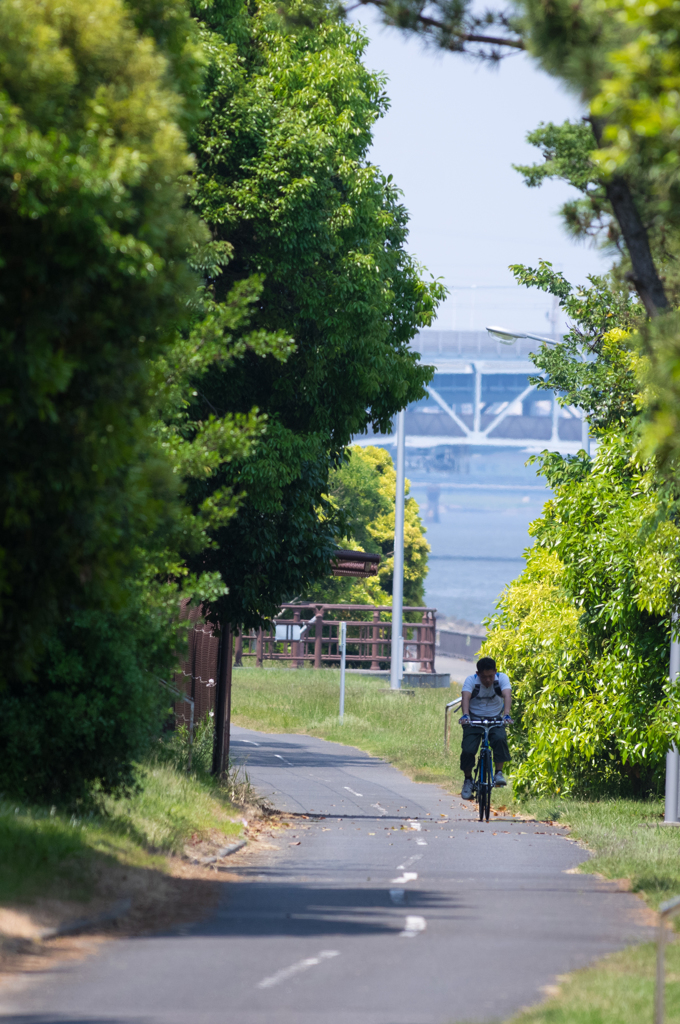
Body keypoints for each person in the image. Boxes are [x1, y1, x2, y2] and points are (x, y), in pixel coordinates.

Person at [459, 656, 512, 801]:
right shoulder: (471, 680)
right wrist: (465, 715)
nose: (487, 680)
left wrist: (506, 715)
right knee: (468, 749)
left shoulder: (502, 678)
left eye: (490, 676)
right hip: (474, 718)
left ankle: (498, 773)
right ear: (478, 673)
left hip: (495, 717)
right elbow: (466, 697)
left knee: (500, 739)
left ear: (495, 671)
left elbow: (507, 695)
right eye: (484, 677)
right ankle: (468, 780)